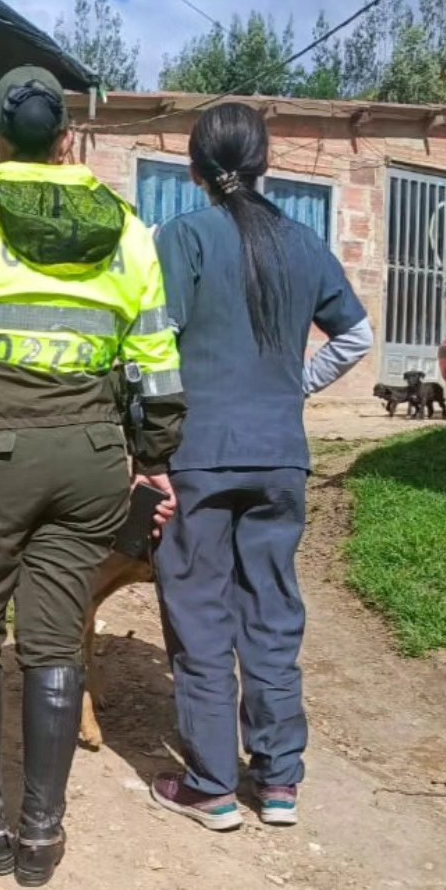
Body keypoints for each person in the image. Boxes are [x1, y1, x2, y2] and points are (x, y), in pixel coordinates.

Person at [0, 66, 186, 888]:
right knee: (54, 639)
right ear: (66, 141)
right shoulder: (128, 232)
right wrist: (154, 457)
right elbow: (158, 364)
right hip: (89, 458)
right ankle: (42, 837)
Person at [147, 103, 373, 831]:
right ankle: (279, 782)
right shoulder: (304, 243)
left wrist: (146, 447)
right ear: (264, 163)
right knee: (272, 612)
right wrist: (292, 386)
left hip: (199, 455)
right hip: (280, 456)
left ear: (194, 168)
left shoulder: (182, 236)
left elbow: (154, 345)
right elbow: (357, 336)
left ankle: (211, 786)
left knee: (200, 613)